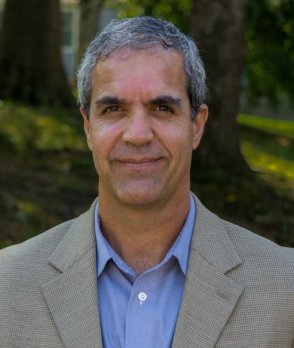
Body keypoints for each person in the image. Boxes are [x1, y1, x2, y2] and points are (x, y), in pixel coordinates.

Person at [0, 16, 293, 348]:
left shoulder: (285, 288)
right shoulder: (7, 286)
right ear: (87, 127)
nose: (137, 135)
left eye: (162, 108)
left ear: (196, 126)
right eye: (113, 109)